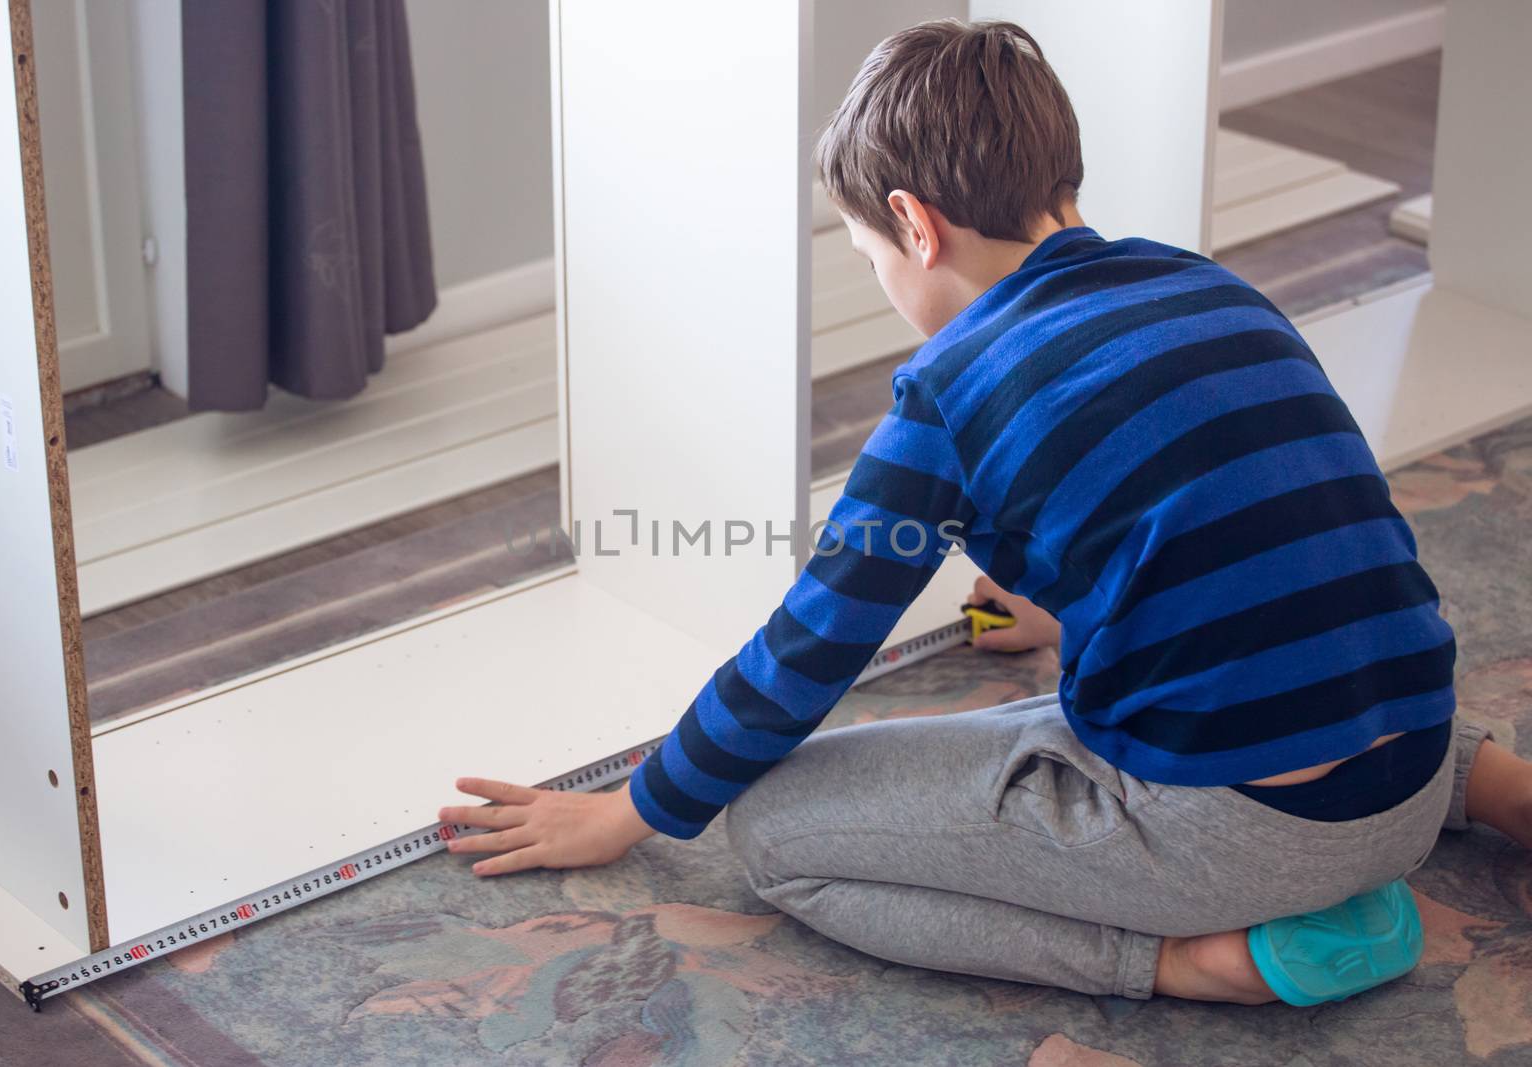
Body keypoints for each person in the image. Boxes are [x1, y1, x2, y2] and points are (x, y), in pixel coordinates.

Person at [439, 18, 1532, 1005]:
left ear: (913, 225)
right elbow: (1243, 517)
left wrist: (632, 808)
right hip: (1415, 750)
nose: (882, 278)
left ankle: (1189, 961)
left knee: (774, 829)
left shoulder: (948, 390)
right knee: (1316, 630)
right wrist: (1070, 608)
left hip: (1245, 833)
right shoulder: (1204, 283)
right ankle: (1502, 787)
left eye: (868, 255)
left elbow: (808, 649)